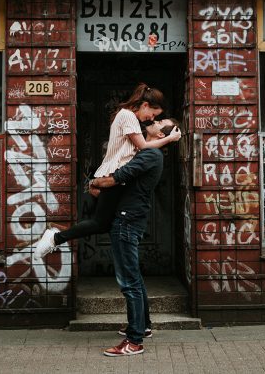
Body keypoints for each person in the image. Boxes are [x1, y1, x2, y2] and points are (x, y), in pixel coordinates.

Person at [32, 83, 181, 260]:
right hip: (113, 175)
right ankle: (54, 238)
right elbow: (144, 147)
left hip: (115, 176)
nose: (151, 118)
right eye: (153, 114)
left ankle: (56, 237)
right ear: (145, 105)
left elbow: (142, 151)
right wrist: (170, 138)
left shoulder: (130, 119)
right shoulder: (127, 116)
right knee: (100, 223)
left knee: (106, 222)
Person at [92, 118, 181, 357]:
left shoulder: (149, 155)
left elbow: (117, 177)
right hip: (133, 218)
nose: (153, 120)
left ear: (160, 133)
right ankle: (144, 326)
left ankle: (134, 341)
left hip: (126, 219)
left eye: (160, 121)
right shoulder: (150, 153)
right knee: (135, 278)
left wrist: (95, 182)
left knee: (128, 281)